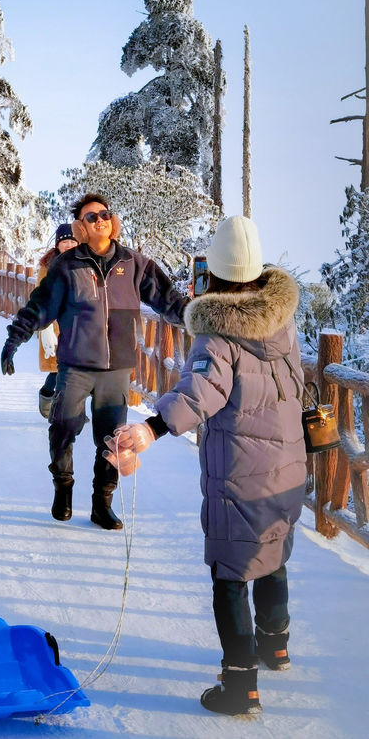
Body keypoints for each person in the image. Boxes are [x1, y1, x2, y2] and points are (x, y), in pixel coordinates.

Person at [105, 215, 307, 716]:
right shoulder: (282, 322)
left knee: (231, 571)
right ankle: (275, 647)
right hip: (287, 470)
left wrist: (149, 429)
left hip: (240, 472)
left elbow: (199, 394)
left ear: (211, 275)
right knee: (272, 555)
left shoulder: (219, 334)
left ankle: (240, 687)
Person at [0, 192, 189, 529]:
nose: (100, 220)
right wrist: (15, 337)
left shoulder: (134, 264)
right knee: (62, 427)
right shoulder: (67, 267)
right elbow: (40, 306)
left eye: (104, 214)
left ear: (112, 221)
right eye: (91, 217)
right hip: (75, 366)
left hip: (116, 369)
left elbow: (169, 301)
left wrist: (201, 319)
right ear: (81, 227)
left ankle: (102, 503)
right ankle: (63, 488)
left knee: (113, 440)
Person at [36, 223, 78, 418]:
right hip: (54, 326)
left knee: (78, 373)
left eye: (72, 241)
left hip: (79, 325)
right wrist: (44, 329)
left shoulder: (84, 262)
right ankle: (46, 395)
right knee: (58, 371)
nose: (69, 245)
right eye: (65, 242)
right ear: (57, 244)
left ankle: (74, 411)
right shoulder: (48, 267)